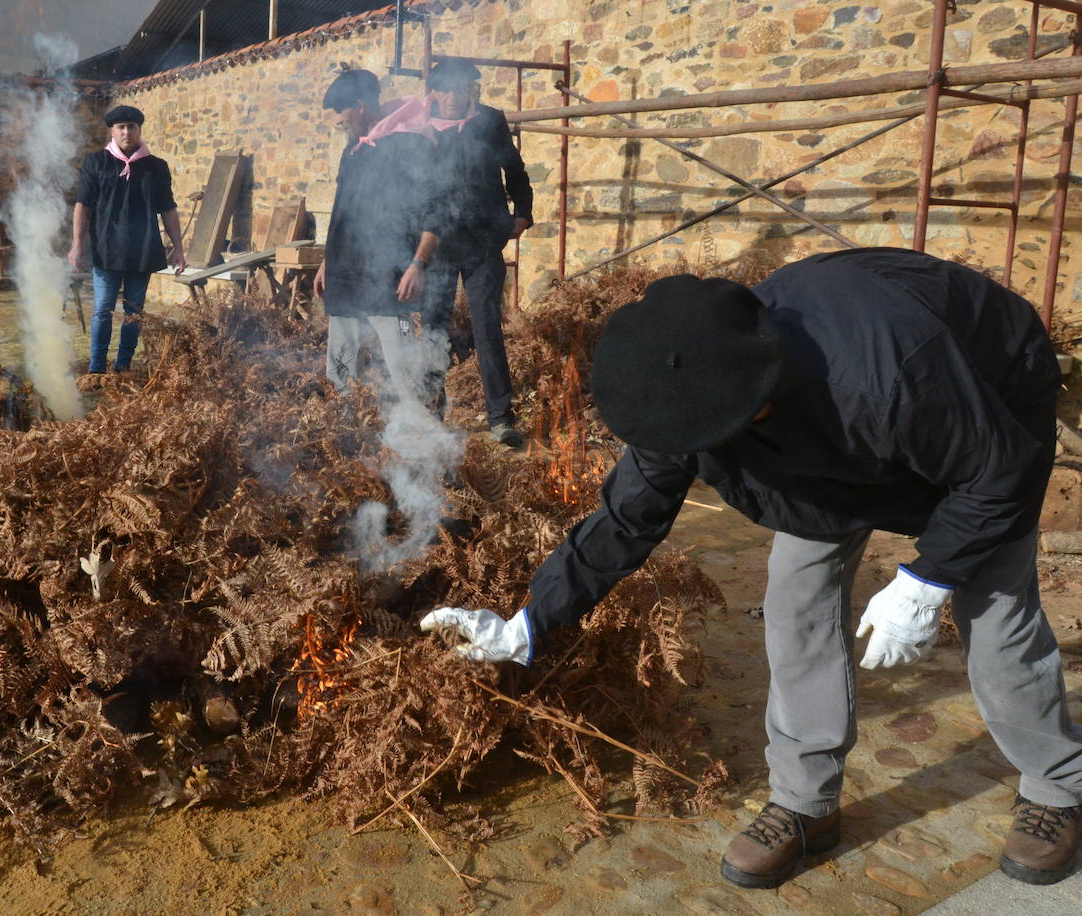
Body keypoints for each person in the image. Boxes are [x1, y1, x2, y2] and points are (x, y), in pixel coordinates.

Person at [421, 248, 1081, 889]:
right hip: (832, 444)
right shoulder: (682, 393)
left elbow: (999, 472)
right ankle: (804, 803)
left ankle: (1057, 787)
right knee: (797, 603)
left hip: (984, 410)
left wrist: (928, 576)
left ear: (750, 401)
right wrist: (530, 621)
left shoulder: (888, 372)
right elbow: (626, 520)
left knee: (995, 609)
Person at [315, 69, 444, 406]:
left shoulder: (410, 143)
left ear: (359, 105)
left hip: (390, 279)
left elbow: (436, 210)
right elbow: (342, 212)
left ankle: (420, 436)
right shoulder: (352, 152)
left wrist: (418, 264)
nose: (339, 123)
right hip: (345, 277)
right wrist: (328, 261)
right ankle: (343, 435)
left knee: (403, 369)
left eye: (342, 114)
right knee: (341, 367)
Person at [421, 59, 533, 446]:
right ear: (433, 92)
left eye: (461, 88)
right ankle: (432, 415)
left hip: (484, 241)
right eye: (446, 89)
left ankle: (501, 418)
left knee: (487, 329)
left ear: (472, 89)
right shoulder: (420, 129)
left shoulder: (490, 121)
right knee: (433, 330)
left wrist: (523, 213)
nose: (453, 97)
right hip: (437, 246)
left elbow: (515, 171)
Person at [69, 104, 186, 376]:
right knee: (102, 310)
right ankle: (97, 368)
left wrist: (178, 248)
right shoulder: (95, 162)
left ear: (139, 130)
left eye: (131, 127)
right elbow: (82, 205)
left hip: (142, 250)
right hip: (106, 249)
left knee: (134, 313)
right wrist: (76, 243)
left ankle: (123, 366)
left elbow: (168, 209)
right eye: (121, 127)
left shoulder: (156, 167)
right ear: (112, 130)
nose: (126, 132)